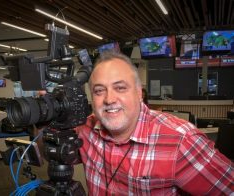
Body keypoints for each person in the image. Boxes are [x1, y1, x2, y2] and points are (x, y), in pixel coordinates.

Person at [76, 52, 234, 195]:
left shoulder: (181, 141)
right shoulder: (85, 128)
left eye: (120, 88)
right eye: (99, 91)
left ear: (139, 93)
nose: (109, 99)